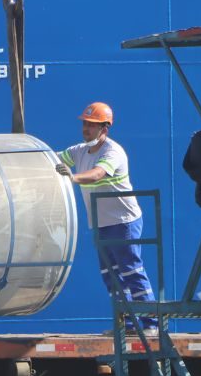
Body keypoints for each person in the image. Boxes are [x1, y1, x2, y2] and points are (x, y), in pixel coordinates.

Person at [55, 102, 156, 331]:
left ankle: (152, 323)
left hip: (123, 222)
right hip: (101, 224)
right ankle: (127, 325)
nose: (86, 129)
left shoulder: (113, 151)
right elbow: (54, 159)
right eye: (84, 124)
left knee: (131, 271)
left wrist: (73, 178)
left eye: (91, 125)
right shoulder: (79, 151)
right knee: (111, 276)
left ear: (105, 128)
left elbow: (98, 173)